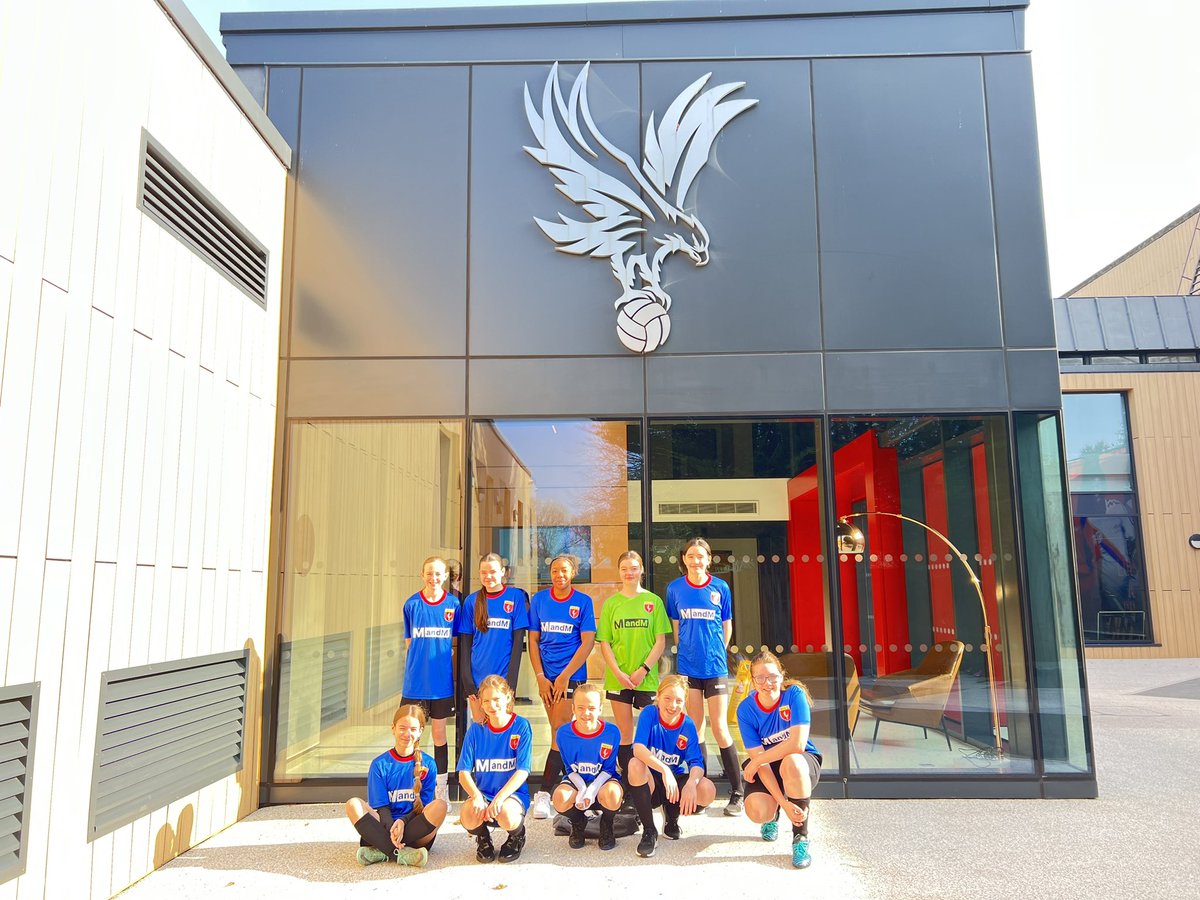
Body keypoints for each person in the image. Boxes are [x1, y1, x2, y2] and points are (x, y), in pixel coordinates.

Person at [665, 537, 745, 814]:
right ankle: (701, 786)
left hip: (715, 668)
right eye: (691, 555)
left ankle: (737, 791)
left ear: (709, 559)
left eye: (701, 556)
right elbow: (677, 628)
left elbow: (727, 625)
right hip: (688, 669)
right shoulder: (674, 589)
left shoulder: (720, 587)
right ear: (684, 559)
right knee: (695, 726)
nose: (696, 560)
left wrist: (715, 652)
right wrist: (688, 652)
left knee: (720, 727)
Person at [735, 650, 822, 869]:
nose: (767, 683)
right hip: (768, 766)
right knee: (757, 812)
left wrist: (756, 761)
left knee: (791, 760)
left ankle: (800, 838)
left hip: (800, 762)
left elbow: (797, 744)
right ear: (753, 681)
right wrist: (782, 803)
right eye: (760, 678)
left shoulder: (794, 694)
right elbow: (761, 764)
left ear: (781, 676)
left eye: (772, 676)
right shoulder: (746, 709)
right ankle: (773, 815)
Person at [527, 554, 597, 819]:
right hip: (547, 679)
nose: (559, 575)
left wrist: (565, 675)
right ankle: (573, 788)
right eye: (555, 570)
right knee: (561, 734)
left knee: (560, 733)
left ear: (573, 572)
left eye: (564, 570)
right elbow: (533, 641)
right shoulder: (540, 601)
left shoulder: (583, 602)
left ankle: (545, 793)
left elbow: (587, 642)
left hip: (571, 677)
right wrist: (540, 676)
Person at [344, 703, 448, 867]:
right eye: (402, 728)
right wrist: (393, 826)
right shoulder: (379, 764)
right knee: (353, 805)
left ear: (421, 730)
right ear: (393, 728)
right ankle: (400, 854)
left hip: (415, 831)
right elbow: (382, 808)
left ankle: (381, 851)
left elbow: (424, 808)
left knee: (440, 806)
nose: (407, 734)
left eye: (413, 729)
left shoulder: (428, 764)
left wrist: (403, 822)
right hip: (384, 827)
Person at [597, 550, 671, 778]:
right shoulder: (611, 604)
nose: (629, 573)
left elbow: (660, 642)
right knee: (625, 735)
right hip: (618, 678)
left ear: (641, 570)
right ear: (619, 572)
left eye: (633, 568)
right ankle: (630, 787)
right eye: (624, 569)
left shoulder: (653, 601)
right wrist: (618, 673)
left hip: (645, 678)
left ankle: (655, 782)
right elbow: (605, 643)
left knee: (651, 733)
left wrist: (643, 670)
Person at [626, 674, 716, 857]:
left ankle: (672, 817)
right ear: (658, 696)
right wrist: (664, 769)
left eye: (678, 700)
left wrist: (691, 782)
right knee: (635, 765)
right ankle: (649, 831)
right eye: (667, 698)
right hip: (652, 781)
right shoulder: (650, 714)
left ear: (684, 703)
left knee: (707, 789)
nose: (672, 705)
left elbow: (696, 762)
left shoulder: (687, 724)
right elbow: (638, 748)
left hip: (673, 784)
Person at [401, 556, 460, 802]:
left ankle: (441, 788)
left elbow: (455, 643)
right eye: (429, 573)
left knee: (439, 736)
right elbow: (409, 643)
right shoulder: (412, 604)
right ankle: (410, 787)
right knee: (411, 735)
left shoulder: (454, 604)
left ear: (445, 576)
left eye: (438, 574)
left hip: (442, 684)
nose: (434, 578)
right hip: (416, 683)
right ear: (422, 574)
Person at [457, 674, 533, 864]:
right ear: (481, 704)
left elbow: (522, 770)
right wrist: (475, 796)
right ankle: (483, 839)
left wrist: (500, 798)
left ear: (508, 697)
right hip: (484, 794)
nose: (492, 705)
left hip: (510, 796)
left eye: (497, 699)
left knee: (506, 814)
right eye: (487, 701)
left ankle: (517, 836)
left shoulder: (521, 726)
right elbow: (463, 773)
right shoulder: (476, 730)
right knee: (467, 816)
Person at [458, 553, 530, 725]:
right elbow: (465, 644)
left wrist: (511, 682)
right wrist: (467, 680)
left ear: (503, 572)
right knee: (480, 728)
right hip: (477, 679)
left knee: (501, 729)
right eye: (483, 572)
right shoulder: (471, 601)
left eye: (493, 571)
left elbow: (518, 642)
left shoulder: (515, 597)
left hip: (503, 679)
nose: (488, 576)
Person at [552, 682, 623, 851]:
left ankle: (607, 824)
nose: (586, 713)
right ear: (573, 709)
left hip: (603, 781)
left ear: (599, 709)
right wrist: (583, 789)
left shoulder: (612, 732)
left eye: (591, 708)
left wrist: (592, 791)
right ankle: (578, 822)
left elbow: (608, 769)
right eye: (581, 708)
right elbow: (570, 770)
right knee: (559, 798)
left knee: (613, 794)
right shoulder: (563, 733)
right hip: (578, 782)